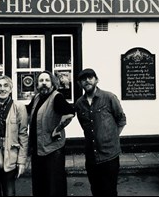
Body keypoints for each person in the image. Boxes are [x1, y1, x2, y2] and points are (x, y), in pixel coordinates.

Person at [74, 68, 127, 197]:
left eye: (90, 77)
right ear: (79, 83)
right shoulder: (79, 104)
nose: (87, 80)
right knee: (96, 190)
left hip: (109, 155)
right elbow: (84, 125)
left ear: (96, 80)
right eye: (83, 79)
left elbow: (121, 119)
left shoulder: (109, 97)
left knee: (109, 191)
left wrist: (111, 136)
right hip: (91, 156)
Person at [27, 70, 75, 196]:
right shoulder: (37, 98)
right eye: (41, 81)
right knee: (40, 185)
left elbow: (70, 113)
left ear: (53, 84)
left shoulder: (56, 97)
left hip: (53, 150)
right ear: (37, 85)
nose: (44, 83)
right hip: (38, 148)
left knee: (54, 187)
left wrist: (57, 129)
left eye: (47, 80)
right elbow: (26, 113)